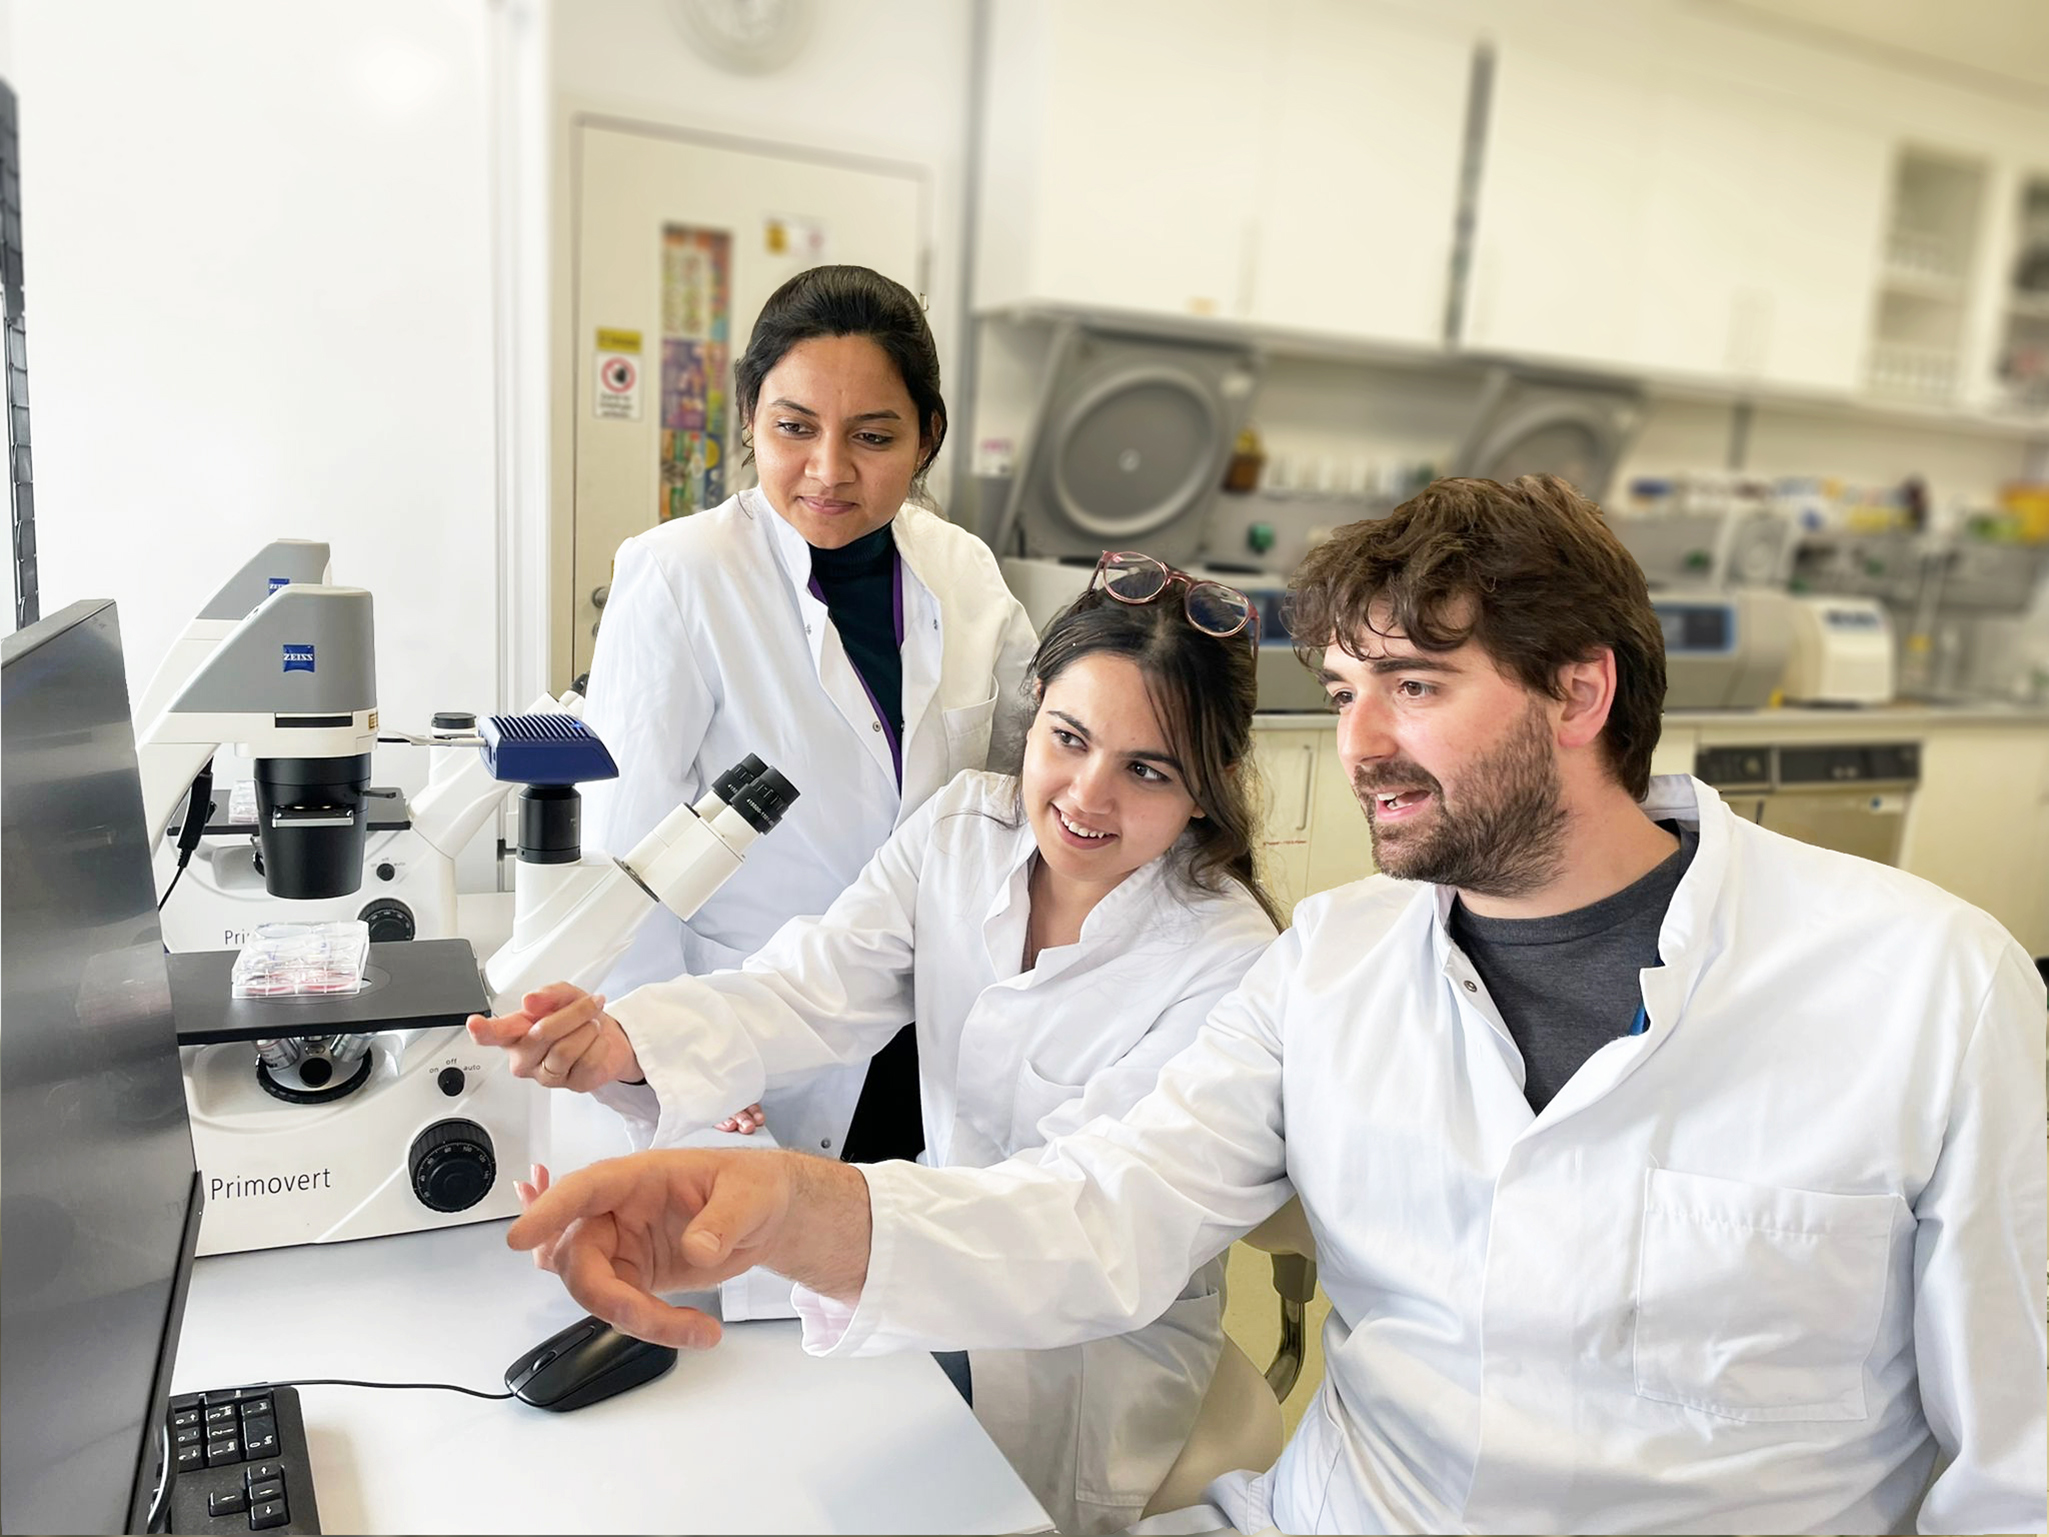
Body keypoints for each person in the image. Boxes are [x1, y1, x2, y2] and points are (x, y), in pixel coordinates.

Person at [507, 475, 2048, 1536]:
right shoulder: (1340, 966)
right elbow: (1097, 1209)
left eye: (1418, 686)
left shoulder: (1925, 989)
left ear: (1580, 696)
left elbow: (2020, 1463)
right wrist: (778, 1202)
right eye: (1348, 682)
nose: (1361, 739)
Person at [471, 558, 1283, 1534]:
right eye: (1069, 740)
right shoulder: (959, 831)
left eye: (1148, 769)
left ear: (1211, 788)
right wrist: (625, 1042)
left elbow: (1085, 1226)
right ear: (1036, 711)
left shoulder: (1232, 962)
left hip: (1083, 1345)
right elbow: (810, 986)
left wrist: (801, 1217)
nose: (1087, 795)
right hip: (930, 1267)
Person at [579, 264, 1039, 1195]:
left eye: (873, 436)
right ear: (750, 416)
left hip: (938, 1025)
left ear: (926, 437)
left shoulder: (963, 569)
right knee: (774, 1302)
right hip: (757, 1038)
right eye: (794, 428)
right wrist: (665, 1050)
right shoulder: (680, 574)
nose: (829, 470)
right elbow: (621, 848)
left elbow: (1018, 781)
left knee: (920, 1281)